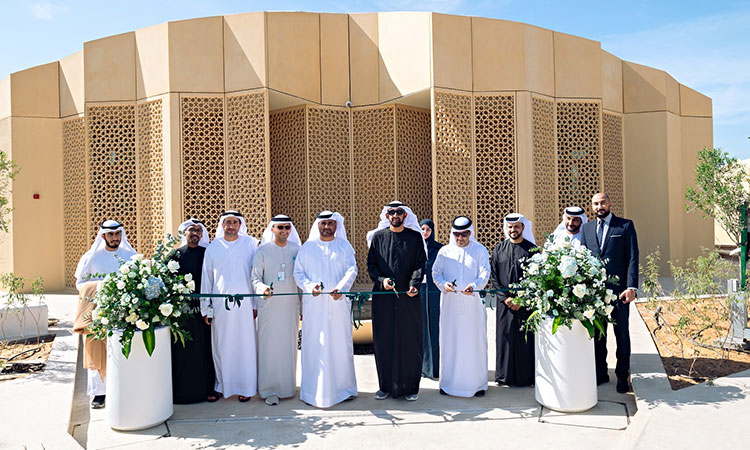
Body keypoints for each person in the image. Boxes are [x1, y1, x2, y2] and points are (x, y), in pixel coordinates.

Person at [293, 211, 358, 408]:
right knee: (315, 345)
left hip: (338, 305)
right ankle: (313, 392)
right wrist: (309, 286)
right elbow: (298, 272)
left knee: (339, 345)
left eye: (331, 223)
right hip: (315, 307)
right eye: (324, 224)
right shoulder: (307, 247)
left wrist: (342, 287)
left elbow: (352, 269)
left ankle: (343, 390)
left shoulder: (344, 246)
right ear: (318, 226)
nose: (327, 227)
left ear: (336, 226)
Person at [73, 219, 137, 409]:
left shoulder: (130, 255)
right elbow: (80, 284)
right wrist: (102, 287)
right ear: (103, 236)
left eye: (117, 234)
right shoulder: (91, 258)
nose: (115, 238)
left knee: (121, 350)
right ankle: (99, 394)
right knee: (97, 350)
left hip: (124, 313)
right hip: (97, 312)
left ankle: (124, 389)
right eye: (111, 234)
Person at [579, 193, 639, 393]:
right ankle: (600, 372)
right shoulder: (586, 229)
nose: (599, 206)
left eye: (602, 202)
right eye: (596, 204)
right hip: (595, 295)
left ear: (609, 203)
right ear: (592, 207)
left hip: (619, 293)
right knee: (597, 335)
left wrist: (631, 287)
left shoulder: (625, 226)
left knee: (621, 335)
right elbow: (584, 260)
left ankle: (622, 376)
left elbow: (632, 257)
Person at [367, 201, 427, 401]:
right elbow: (371, 266)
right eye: (391, 212)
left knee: (409, 341)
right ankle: (385, 387)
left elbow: (420, 264)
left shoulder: (414, 237)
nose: (395, 215)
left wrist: (414, 284)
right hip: (383, 299)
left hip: (409, 299)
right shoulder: (378, 238)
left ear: (405, 215)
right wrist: (382, 280)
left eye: (399, 212)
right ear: (386, 216)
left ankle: (410, 388)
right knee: (384, 341)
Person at [200, 211, 259, 402]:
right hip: (220, 306)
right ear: (222, 225)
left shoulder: (250, 244)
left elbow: (256, 275)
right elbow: (206, 279)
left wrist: (256, 303)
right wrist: (205, 308)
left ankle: (246, 387)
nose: (232, 226)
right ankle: (222, 385)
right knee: (222, 345)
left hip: (245, 305)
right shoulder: (213, 247)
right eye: (228, 222)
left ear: (240, 224)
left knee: (245, 345)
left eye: (235, 222)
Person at [431, 216, 491, 397]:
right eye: (456, 234)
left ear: (470, 233)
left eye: (464, 234)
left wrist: (475, 286)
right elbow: (436, 273)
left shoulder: (479, 250)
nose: (460, 238)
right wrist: (444, 285)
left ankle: (477, 385)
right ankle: (448, 384)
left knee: (473, 343)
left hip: (473, 305)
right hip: (450, 306)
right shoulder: (444, 251)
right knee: (450, 342)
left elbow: (484, 272)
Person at [251, 215, 302, 406]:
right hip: (269, 307)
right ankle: (268, 389)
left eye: (288, 227)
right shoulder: (262, 251)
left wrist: (303, 307)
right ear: (272, 229)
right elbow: (255, 278)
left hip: (290, 306)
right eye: (280, 227)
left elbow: (301, 281)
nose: (284, 231)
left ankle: (287, 388)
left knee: (288, 346)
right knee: (269, 348)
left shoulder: (297, 250)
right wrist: (262, 289)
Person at [169, 218, 217, 404]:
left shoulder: (208, 254)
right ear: (184, 233)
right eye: (191, 230)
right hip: (182, 313)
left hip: (203, 311)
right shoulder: (175, 256)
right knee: (182, 350)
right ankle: (181, 392)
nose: (195, 233)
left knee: (205, 349)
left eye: (199, 230)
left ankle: (207, 389)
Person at [490, 213, 537, 387]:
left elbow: (536, 279)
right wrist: (505, 298)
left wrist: (522, 300)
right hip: (505, 304)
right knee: (505, 337)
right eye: (510, 227)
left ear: (523, 228)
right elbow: (494, 277)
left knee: (525, 338)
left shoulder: (531, 250)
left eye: (516, 226)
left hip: (525, 304)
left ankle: (526, 378)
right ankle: (504, 377)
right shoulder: (498, 249)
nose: (513, 230)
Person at [419, 219, 443, 379]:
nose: (426, 232)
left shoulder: (440, 249)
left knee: (435, 325)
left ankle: (437, 367)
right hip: (420, 290)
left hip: (435, 290)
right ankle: (423, 367)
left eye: (428, 229)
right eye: (423, 229)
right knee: (421, 326)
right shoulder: (416, 247)